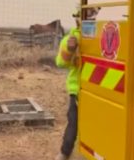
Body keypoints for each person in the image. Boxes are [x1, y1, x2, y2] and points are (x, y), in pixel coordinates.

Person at [55, 10, 81, 160]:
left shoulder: (102, 35)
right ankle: (65, 153)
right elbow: (60, 62)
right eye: (82, 15)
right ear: (76, 18)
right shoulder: (70, 39)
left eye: (92, 13)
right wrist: (70, 50)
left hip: (100, 90)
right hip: (77, 90)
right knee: (73, 124)